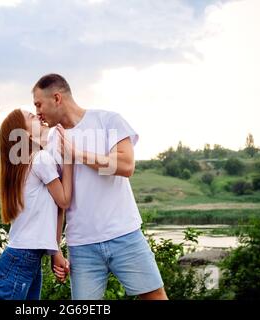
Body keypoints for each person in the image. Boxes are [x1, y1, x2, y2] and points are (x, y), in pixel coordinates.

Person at [32, 73, 168, 300]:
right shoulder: (52, 142)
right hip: (81, 245)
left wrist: (77, 154)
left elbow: (126, 165)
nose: (37, 112)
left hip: (124, 234)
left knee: (154, 297)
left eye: (38, 104)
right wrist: (54, 250)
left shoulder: (108, 121)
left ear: (56, 98)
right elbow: (58, 202)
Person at [0, 108, 72, 300]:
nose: (37, 116)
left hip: (25, 257)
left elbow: (55, 208)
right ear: (25, 133)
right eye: (31, 116)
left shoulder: (25, 164)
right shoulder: (40, 159)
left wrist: (56, 251)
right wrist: (69, 156)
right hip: (23, 257)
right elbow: (64, 200)